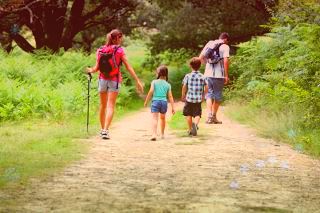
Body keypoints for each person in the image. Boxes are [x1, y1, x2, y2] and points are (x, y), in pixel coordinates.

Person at [87, 29, 144, 140]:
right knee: (110, 106)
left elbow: (96, 68)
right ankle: (105, 130)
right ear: (116, 38)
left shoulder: (100, 50)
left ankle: (102, 130)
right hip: (114, 80)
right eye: (120, 37)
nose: (121, 39)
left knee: (103, 106)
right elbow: (128, 66)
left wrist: (89, 70)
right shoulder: (119, 50)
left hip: (102, 79)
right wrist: (137, 80)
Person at [199, 32, 230, 124]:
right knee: (217, 96)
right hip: (219, 75)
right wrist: (226, 75)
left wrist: (202, 67)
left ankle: (209, 116)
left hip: (207, 74)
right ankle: (213, 116)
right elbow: (226, 61)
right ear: (226, 39)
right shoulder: (225, 46)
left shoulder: (209, 43)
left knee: (209, 95)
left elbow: (200, 57)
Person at [144, 65, 175, 141]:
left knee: (155, 118)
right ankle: (162, 134)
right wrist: (173, 107)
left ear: (158, 73)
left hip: (156, 101)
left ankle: (154, 134)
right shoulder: (168, 84)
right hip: (164, 102)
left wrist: (146, 101)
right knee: (163, 118)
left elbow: (151, 91)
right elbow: (170, 96)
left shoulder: (154, 82)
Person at [181, 57, 208, 136]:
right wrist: (204, 96)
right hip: (198, 99)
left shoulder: (188, 76)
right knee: (197, 114)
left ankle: (190, 130)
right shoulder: (203, 76)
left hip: (189, 98)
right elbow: (206, 87)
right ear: (200, 66)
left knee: (188, 114)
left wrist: (183, 95)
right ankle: (195, 124)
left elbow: (184, 86)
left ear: (190, 65)